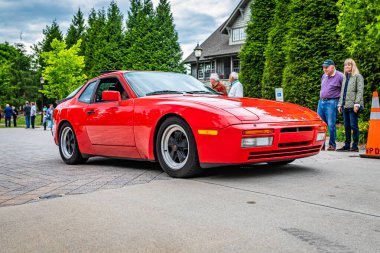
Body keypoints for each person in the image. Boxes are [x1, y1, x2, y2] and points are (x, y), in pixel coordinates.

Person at [336, 59, 364, 152]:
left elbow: (360, 91)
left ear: (353, 66)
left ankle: (355, 146)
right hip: (345, 106)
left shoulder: (358, 76)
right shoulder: (345, 77)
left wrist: (357, 104)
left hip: (353, 106)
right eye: (345, 65)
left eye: (349, 65)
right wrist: (340, 104)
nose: (347, 67)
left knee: (353, 125)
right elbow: (342, 92)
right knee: (346, 126)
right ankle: (347, 145)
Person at [317, 59, 344, 151]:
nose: (324, 69)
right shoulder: (324, 76)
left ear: (332, 67)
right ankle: (321, 144)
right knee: (320, 124)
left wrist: (340, 104)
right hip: (321, 102)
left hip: (332, 102)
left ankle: (332, 145)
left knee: (331, 124)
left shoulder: (340, 76)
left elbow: (344, 91)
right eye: (323, 67)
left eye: (326, 67)